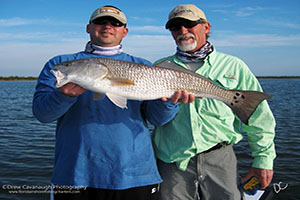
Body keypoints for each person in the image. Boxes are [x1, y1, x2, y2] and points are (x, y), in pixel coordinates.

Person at [32, 5, 186, 200]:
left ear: (125, 31)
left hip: (135, 175)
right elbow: (42, 114)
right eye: (100, 21)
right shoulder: (60, 64)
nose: (107, 26)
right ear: (88, 28)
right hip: (75, 175)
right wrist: (63, 96)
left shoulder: (144, 66)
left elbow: (158, 119)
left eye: (115, 23)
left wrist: (168, 102)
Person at [153, 4, 276, 200]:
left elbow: (258, 118)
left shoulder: (233, 66)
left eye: (189, 24)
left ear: (206, 27)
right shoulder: (159, 67)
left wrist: (263, 159)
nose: (183, 31)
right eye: (176, 27)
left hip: (221, 159)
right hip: (173, 163)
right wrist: (167, 104)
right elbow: (154, 118)